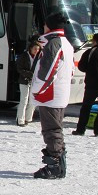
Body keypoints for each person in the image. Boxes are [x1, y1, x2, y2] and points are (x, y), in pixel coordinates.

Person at [31, 11, 74, 180]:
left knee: (51, 129)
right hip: (58, 92)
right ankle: (58, 162)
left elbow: (48, 71)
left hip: (50, 94)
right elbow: (70, 70)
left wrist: (37, 89)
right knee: (55, 128)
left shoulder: (53, 44)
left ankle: (54, 165)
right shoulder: (66, 43)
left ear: (48, 25)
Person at [15, 39, 41, 126]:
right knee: (24, 100)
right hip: (24, 80)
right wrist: (29, 74)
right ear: (30, 48)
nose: (36, 51)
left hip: (34, 81)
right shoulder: (24, 56)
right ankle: (20, 120)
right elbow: (19, 68)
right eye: (35, 49)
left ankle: (28, 118)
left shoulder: (39, 58)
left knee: (33, 100)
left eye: (38, 49)